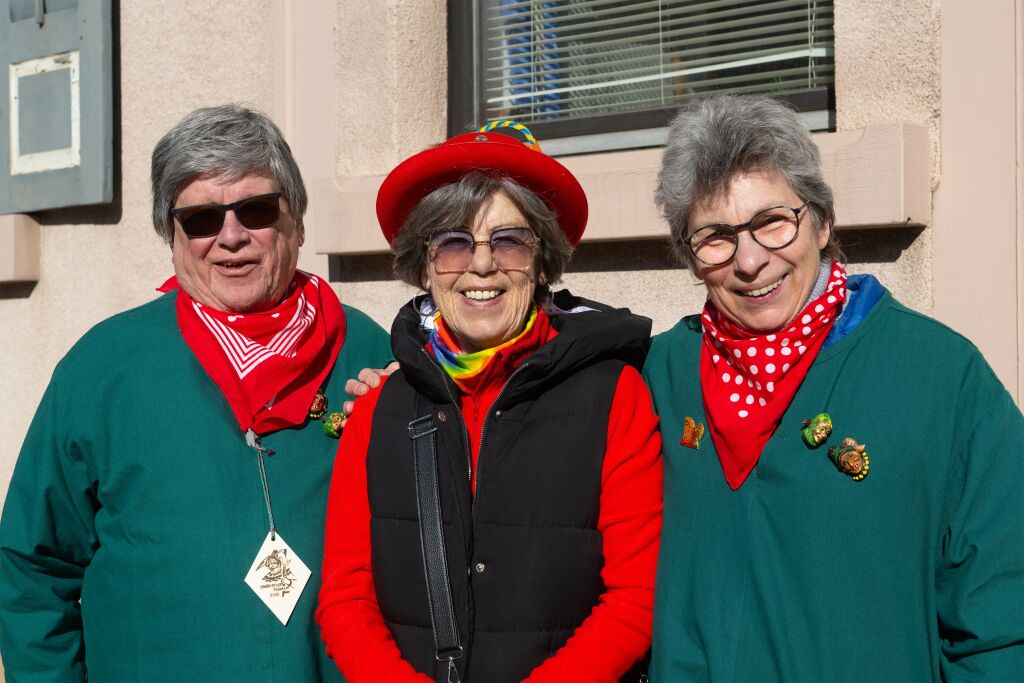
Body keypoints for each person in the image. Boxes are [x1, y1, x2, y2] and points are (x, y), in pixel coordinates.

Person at [0, 105, 393, 681]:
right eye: (202, 219)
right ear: (172, 235)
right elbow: (34, 567)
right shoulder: (104, 364)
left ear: (298, 223)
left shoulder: (368, 354)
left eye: (256, 210)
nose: (231, 237)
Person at [644, 95, 1024, 680]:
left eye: (772, 222)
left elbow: (1002, 623)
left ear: (821, 223)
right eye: (715, 236)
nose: (749, 260)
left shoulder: (940, 375)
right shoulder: (664, 373)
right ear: (690, 258)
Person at [316, 125, 663, 682]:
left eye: (508, 241)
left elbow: (636, 596)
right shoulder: (380, 408)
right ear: (425, 267)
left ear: (544, 262)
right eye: (453, 243)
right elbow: (344, 597)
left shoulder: (613, 395)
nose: (481, 266)